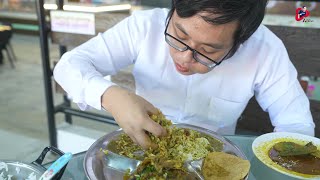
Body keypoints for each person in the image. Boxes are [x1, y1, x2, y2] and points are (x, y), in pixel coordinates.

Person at [54, 0, 315, 149]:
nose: (184, 58)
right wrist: (110, 96)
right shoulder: (145, 25)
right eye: (179, 36)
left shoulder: (265, 50)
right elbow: (68, 66)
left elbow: (296, 126)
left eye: (207, 51)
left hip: (213, 161)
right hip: (143, 150)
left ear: (241, 42)